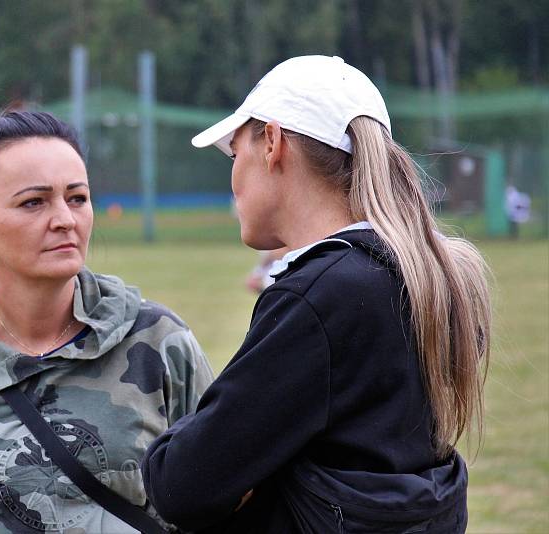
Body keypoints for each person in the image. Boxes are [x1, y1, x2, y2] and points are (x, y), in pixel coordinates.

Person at [142, 55, 491, 533]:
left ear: (272, 142)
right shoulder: (409, 276)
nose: (233, 177)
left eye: (233, 152)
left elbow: (181, 483)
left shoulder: (321, 296)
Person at [0, 110, 213, 533]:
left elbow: (222, 505)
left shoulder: (159, 344)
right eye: (33, 202)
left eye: (76, 198)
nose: (64, 219)